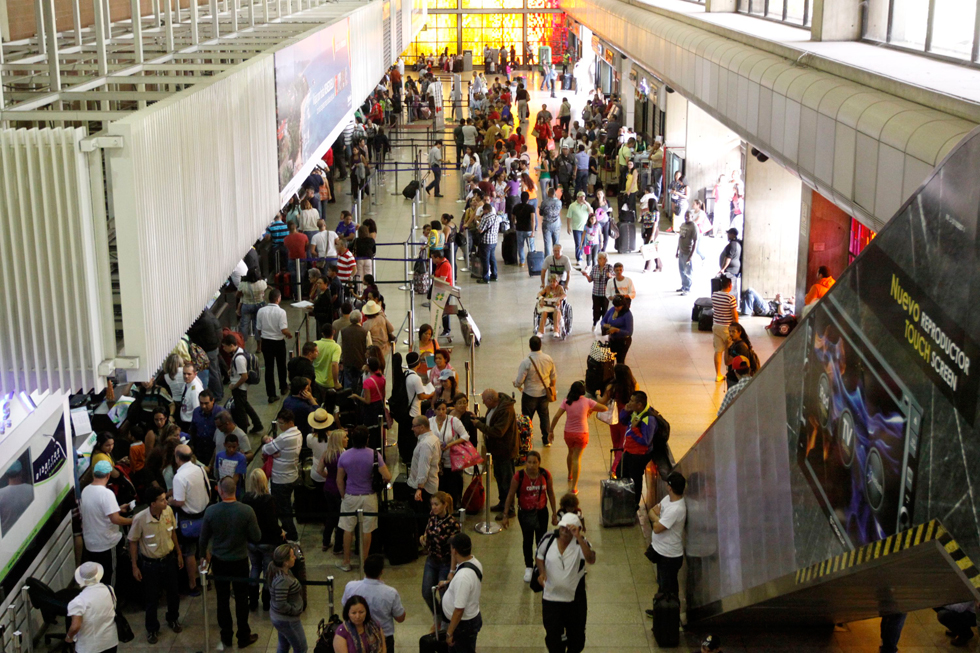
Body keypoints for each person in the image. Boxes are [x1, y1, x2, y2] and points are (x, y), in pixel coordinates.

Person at [199, 477, 262, 649]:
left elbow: (203, 539)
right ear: (236, 491)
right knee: (242, 599)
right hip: (240, 560)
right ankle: (243, 635)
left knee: (222, 599)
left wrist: (202, 556)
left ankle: (226, 636)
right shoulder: (246, 511)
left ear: (220, 490)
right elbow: (256, 536)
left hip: (220, 561)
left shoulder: (211, 511)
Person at [536, 512, 596, 653]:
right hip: (551, 599)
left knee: (576, 638)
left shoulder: (580, 544)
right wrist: (542, 572)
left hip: (574, 602)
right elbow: (539, 555)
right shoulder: (548, 539)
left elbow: (591, 559)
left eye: (569, 529)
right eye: (562, 527)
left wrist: (579, 538)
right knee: (553, 637)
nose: (564, 531)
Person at [337, 426, 391, 572]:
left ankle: (346, 561)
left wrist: (343, 495)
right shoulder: (374, 455)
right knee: (367, 529)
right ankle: (364, 561)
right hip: (369, 496)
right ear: (367, 439)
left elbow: (339, 479)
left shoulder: (344, 456)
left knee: (347, 529)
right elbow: (387, 476)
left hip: (350, 495)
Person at [501, 451, 557, 581]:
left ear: (539, 463)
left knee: (541, 540)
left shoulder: (545, 475)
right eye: (529, 462)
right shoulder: (519, 476)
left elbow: (551, 494)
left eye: (534, 462)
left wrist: (554, 513)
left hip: (542, 512)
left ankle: (540, 565)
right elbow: (510, 495)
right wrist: (505, 515)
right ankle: (529, 567)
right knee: (527, 540)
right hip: (525, 513)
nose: (531, 465)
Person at [80, 460, 132, 587]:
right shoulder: (106, 493)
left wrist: (117, 508)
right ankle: (111, 602)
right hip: (106, 543)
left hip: (91, 544)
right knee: (109, 577)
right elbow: (115, 520)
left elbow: (98, 512)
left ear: (94, 474)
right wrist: (134, 520)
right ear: (108, 475)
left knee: (97, 577)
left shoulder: (85, 491)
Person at [549, 381, 606, 494]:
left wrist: (551, 430)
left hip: (568, 433)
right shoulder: (587, 401)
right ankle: (574, 487)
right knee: (577, 458)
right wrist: (590, 409)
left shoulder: (566, 401)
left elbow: (556, 416)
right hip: (582, 434)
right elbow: (604, 408)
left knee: (570, 452)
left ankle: (570, 474)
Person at [342, 555, 406, 653]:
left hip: (356, 635)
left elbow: (345, 608)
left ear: (364, 569)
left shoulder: (351, 587)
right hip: (384, 636)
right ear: (381, 572)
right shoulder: (390, 593)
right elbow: (400, 618)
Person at [168, 444, 208, 595]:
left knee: (189, 553)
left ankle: (192, 584)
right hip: (203, 515)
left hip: (188, 520)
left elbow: (180, 501)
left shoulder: (179, 477)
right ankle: (206, 579)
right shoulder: (200, 469)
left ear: (177, 458)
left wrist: (171, 501)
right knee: (203, 548)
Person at [643, 471, 687, 601]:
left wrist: (656, 519)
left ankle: (668, 613)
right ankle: (660, 609)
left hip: (669, 556)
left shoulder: (676, 509)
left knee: (669, 588)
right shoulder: (668, 499)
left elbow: (656, 528)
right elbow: (651, 511)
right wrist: (658, 519)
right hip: (661, 551)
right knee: (662, 584)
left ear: (669, 487)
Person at [474, 389, 519, 512]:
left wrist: (479, 425)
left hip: (505, 450)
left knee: (507, 480)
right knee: (499, 477)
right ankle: (503, 502)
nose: (483, 404)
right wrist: (480, 420)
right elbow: (491, 421)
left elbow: (498, 431)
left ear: (491, 399)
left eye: (484, 401)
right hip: (497, 451)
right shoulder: (496, 407)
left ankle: (509, 508)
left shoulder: (505, 410)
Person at [262, 409, 304, 541]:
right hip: (292, 475)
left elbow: (265, 449)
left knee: (282, 509)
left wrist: (269, 444)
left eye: (281, 423)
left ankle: (291, 535)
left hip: (281, 479)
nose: (280, 426)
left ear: (289, 422)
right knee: (285, 506)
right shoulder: (298, 433)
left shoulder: (285, 437)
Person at [438, 533, 483, 652]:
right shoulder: (474, 562)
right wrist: (448, 584)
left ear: (454, 551)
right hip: (469, 621)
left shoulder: (463, 578)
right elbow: (467, 586)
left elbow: (458, 610)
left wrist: (449, 633)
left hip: (462, 627)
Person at [420, 491, 461, 617]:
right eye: (432, 504)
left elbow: (454, 549)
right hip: (432, 560)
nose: (433, 507)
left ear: (445, 505)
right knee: (426, 592)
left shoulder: (452, 524)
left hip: (446, 562)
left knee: (445, 596)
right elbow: (428, 533)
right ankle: (438, 615)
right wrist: (423, 538)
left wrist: (452, 570)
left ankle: (446, 621)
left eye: (436, 504)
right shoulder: (432, 518)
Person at [514, 336, 556, 448]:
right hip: (543, 395)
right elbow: (553, 377)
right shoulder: (548, 359)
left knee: (527, 419)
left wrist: (516, 384)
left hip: (529, 395)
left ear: (529, 346)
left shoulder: (526, 362)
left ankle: (525, 440)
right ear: (540, 345)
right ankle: (547, 440)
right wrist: (551, 387)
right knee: (544, 417)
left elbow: (520, 381)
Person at [66, 562, 118, 653]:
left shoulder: (78, 602)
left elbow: (75, 626)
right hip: (110, 642)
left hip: (89, 647)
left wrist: (69, 637)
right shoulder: (109, 590)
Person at [620, 391, 658, 512]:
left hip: (639, 455)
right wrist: (625, 411)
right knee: (620, 472)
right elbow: (623, 421)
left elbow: (646, 440)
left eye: (632, 401)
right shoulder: (636, 412)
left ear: (640, 404)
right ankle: (624, 498)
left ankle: (634, 504)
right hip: (629, 450)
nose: (629, 403)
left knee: (635, 478)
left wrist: (635, 429)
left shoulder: (648, 419)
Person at [598, 364, 636, 477]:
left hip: (614, 418)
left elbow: (602, 401)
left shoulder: (611, 387)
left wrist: (596, 394)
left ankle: (615, 467)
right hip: (627, 417)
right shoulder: (633, 385)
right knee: (622, 444)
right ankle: (617, 465)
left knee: (615, 443)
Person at [268, 543, 307, 653]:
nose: (295, 557)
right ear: (285, 562)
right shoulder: (282, 580)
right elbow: (280, 603)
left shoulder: (279, 571)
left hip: (281, 619)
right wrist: (294, 610)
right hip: (287, 620)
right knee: (301, 648)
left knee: (284, 646)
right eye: (292, 556)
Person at [430, 400, 470, 507]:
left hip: (452, 459)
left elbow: (465, 436)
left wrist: (451, 444)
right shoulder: (430, 422)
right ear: (434, 410)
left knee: (453, 483)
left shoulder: (453, 421)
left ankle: (454, 502)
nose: (441, 412)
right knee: (440, 484)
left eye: (443, 409)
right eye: (438, 409)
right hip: (437, 459)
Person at [257, 289, 293, 404]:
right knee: (281, 365)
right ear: (278, 299)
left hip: (266, 342)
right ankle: (283, 387)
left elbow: (258, 329)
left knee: (269, 368)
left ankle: (271, 395)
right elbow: (283, 329)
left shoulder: (261, 311)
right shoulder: (281, 312)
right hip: (278, 342)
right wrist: (289, 334)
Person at [408, 415, 442, 532]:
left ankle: (425, 541)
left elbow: (423, 468)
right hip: (431, 484)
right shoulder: (433, 439)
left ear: (422, 427)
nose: (412, 429)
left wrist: (419, 488)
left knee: (423, 519)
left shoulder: (425, 444)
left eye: (414, 426)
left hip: (425, 489)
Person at [711, 276, 738, 382]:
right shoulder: (730, 298)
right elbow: (734, 316)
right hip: (727, 328)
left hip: (716, 326)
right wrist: (737, 328)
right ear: (730, 285)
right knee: (731, 351)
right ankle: (731, 373)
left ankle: (718, 375)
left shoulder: (714, 295)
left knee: (718, 351)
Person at [580, 251, 613, 326]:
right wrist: (586, 275)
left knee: (605, 310)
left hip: (606, 294)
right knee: (596, 310)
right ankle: (595, 322)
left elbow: (613, 277)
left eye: (603, 258)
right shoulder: (594, 268)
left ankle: (604, 326)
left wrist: (610, 275)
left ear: (606, 259)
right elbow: (590, 280)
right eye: (599, 258)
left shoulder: (609, 267)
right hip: (596, 293)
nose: (601, 260)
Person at [724, 322, 760, 388]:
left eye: (733, 332)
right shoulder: (735, 343)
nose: (731, 334)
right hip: (734, 378)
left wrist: (726, 347)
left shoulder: (740, 347)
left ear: (739, 332)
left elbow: (727, 362)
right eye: (730, 331)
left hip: (735, 380)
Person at [601, 295, 634, 362]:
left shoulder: (627, 314)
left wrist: (617, 330)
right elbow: (603, 320)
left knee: (620, 360)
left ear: (623, 305)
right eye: (615, 306)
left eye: (618, 306)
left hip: (623, 341)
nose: (616, 308)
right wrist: (605, 325)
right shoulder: (612, 310)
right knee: (609, 360)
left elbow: (629, 332)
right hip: (612, 340)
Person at [214, 432, 248, 496]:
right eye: (229, 447)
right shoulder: (219, 455)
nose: (231, 449)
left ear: (237, 445)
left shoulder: (241, 458)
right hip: (221, 490)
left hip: (235, 491)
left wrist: (228, 490)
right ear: (224, 445)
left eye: (234, 447)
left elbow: (236, 477)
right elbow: (217, 472)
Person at [477, 198, 501, 284]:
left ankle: (485, 278)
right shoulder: (496, 217)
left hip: (486, 242)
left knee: (485, 260)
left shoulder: (485, 217)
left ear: (486, 210)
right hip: (494, 241)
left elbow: (480, 230)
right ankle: (494, 275)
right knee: (492, 258)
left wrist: (478, 225)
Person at [676, 210, 698, 295]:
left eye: (688, 216)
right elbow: (680, 238)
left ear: (692, 217)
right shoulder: (683, 225)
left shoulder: (694, 227)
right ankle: (683, 286)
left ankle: (688, 288)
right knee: (681, 270)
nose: (686, 217)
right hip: (681, 251)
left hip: (688, 252)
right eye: (685, 216)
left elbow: (695, 241)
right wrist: (677, 250)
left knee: (688, 271)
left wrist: (691, 255)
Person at [177, 363, 204, 431]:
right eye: (184, 373)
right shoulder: (187, 384)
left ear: (195, 374)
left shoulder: (195, 390)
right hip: (185, 419)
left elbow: (197, 409)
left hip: (190, 423)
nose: (186, 376)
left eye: (189, 374)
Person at [512, 191, 536, 267]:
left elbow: (513, 218)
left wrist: (515, 222)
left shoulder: (516, 207)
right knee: (531, 246)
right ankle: (532, 262)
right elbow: (533, 220)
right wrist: (533, 231)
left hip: (519, 229)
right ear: (528, 199)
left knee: (520, 246)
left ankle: (522, 262)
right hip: (528, 229)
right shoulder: (531, 207)